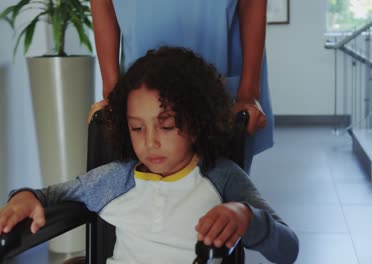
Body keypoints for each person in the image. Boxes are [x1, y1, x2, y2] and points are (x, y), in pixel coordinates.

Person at [0, 47, 299, 264]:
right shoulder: (116, 179)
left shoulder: (222, 177)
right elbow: (49, 196)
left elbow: (288, 249)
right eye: (137, 128)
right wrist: (24, 196)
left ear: (196, 123)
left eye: (167, 126)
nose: (151, 142)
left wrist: (248, 218)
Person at [89, 0, 274, 172]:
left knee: (219, 183)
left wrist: (248, 93)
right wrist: (111, 93)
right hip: (141, 81)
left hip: (219, 67)